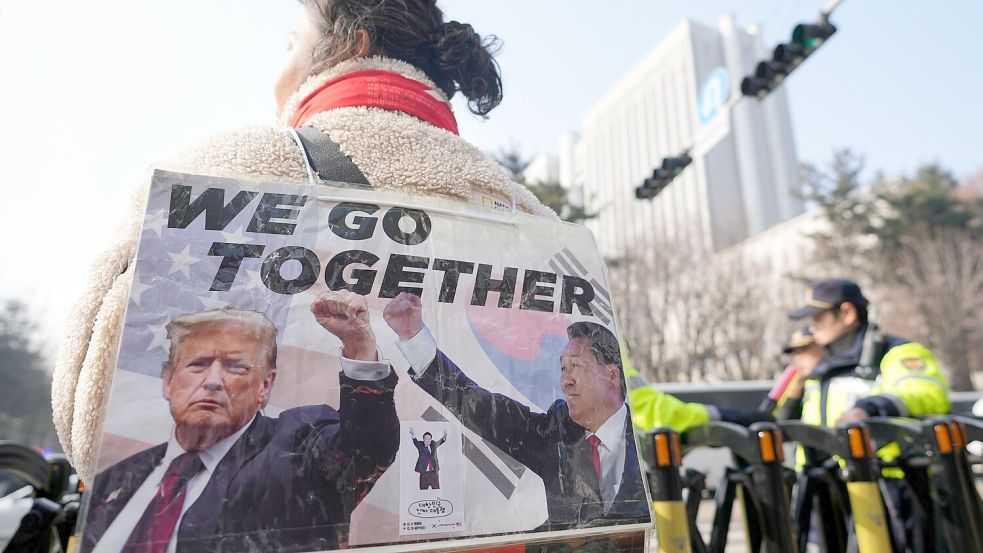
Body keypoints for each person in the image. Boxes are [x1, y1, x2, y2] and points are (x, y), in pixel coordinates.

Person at [52, 0, 553, 483]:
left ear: (353, 44)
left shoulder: (223, 167)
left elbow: (89, 415)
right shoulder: (525, 212)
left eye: (291, 43)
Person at [82, 293, 399, 553]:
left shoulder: (301, 442)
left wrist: (359, 348)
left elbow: (366, 450)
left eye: (235, 367)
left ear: (265, 386)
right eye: (198, 365)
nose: (213, 381)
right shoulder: (116, 479)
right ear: (168, 382)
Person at [376, 292, 649, 531]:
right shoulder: (557, 431)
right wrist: (415, 339)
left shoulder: (649, 445)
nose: (566, 380)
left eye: (576, 365)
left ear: (611, 375)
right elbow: (482, 409)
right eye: (563, 368)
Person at [786, 277, 950, 551]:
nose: (811, 326)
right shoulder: (822, 368)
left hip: (892, 492)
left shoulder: (896, 353)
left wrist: (871, 408)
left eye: (818, 317)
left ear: (847, 313)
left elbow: (926, 392)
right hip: (829, 495)